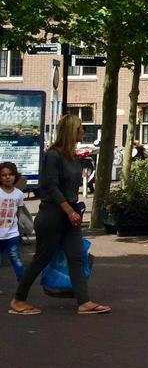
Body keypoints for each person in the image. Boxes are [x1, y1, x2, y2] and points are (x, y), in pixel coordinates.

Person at [10, 114, 110, 316]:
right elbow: (52, 187)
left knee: (76, 257)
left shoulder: (72, 155)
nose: (83, 131)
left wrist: (74, 210)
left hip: (70, 214)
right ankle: (18, 299)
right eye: (80, 128)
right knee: (42, 258)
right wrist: (69, 210)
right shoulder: (53, 155)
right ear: (71, 130)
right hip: (53, 214)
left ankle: (84, 302)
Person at [0, 162, 26, 285]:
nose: (7, 177)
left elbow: (18, 213)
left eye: (10, 174)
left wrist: (15, 228)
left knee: (16, 259)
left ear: (15, 176)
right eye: (4, 175)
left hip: (12, 234)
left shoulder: (19, 194)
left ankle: (23, 285)